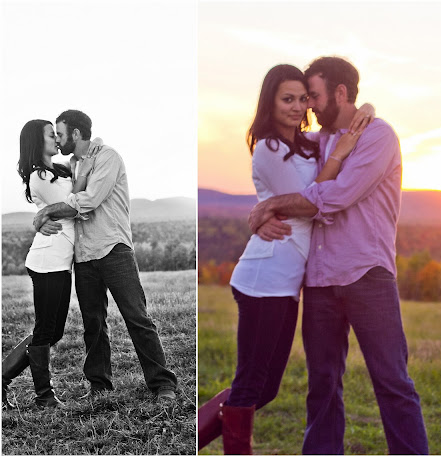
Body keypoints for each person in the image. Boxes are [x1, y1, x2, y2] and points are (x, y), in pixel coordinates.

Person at [248, 57, 430, 454]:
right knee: (323, 388)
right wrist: (266, 209)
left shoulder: (379, 137)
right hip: (319, 282)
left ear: (341, 93)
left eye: (313, 95)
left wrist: (274, 205)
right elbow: (290, 158)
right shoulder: (324, 139)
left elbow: (337, 194)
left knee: (392, 383)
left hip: (368, 276)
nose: (308, 106)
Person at [197, 64, 374, 454]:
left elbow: (322, 157)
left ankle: (192, 436)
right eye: (287, 99)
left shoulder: (307, 143)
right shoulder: (269, 149)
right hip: (265, 276)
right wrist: (340, 155)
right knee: (250, 383)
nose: (297, 107)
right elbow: (310, 202)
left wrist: (367, 109)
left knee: (266, 388)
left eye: (302, 99)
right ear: (270, 104)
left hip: (287, 282)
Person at [32, 110, 178, 402]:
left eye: (60, 134)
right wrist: (40, 216)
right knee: (93, 324)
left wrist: (46, 212)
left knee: (136, 317)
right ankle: (99, 385)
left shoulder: (107, 157)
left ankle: (163, 384)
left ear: (75, 134)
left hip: (113, 248)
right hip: (83, 256)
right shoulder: (72, 165)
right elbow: (49, 193)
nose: (58, 140)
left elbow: (88, 200)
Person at [2, 119, 97, 409]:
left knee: (53, 331)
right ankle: (45, 396)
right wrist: (87, 166)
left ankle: (3, 377)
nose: (56, 138)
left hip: (60, 259)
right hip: (47, 261)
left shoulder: (59, 170)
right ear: (36, 141)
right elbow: (72, 205)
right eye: (50, 135)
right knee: (46, 329)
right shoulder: (39, 176)